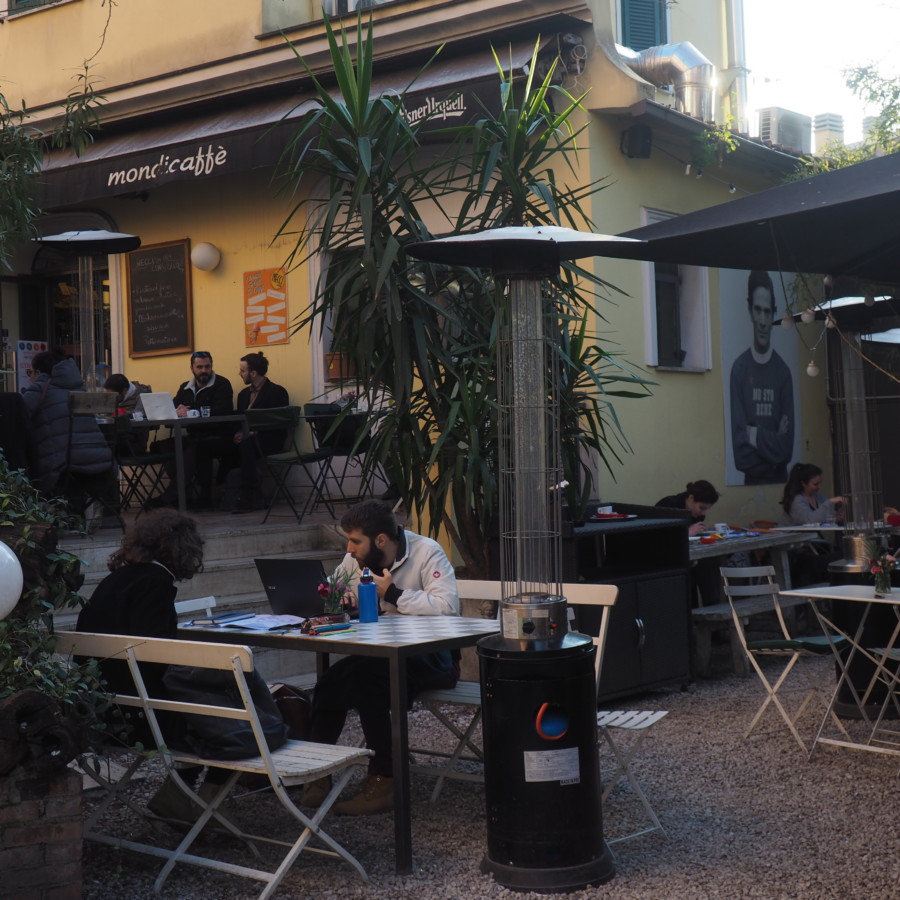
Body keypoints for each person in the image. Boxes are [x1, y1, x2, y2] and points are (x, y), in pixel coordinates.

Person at [304, 500, 459, 816]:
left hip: (434, 656)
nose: (349, 548)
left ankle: (384, 780)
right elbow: (334, 589)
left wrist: (393, 594)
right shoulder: (355, 559)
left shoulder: (426, 551)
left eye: (355, 541)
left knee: (368, 683)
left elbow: (447, 607)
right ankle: (317, 770)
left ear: (381, 540)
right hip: (381, 652)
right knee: (331, 681)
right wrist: (338, 601)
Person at [75, 509, 221, 824]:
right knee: (229, 712)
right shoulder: (155, 584)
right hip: (137, 717)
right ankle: (204, 804)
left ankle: (185, 797)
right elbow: (154, 657)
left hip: (102, 707)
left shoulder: (117, 579)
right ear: (184, 548)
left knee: (220, 707)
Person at [730, 270, 794, 485]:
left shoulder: (783, 373)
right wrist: (774, 445)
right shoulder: (739, 370)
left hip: (781, 481)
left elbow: (787, 449)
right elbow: (740, 456)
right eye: (758, 310)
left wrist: (752, 435)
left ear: (774, 313)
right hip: (750, 482)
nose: (763, 321)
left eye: (767, 312)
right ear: (750, 311)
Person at [21, 349, 113, 495]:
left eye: (30, 373)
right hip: (101, 462)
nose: (30, 377)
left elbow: (20, 418)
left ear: (38, 373)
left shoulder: (40, 388)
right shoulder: (79, 389)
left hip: (63, 467)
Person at [155, 351, 234, 508]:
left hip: (218, 436)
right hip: (194, 435)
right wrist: (177, 411)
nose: (204, 370)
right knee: (164, 446)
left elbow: (223, 410)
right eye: (199, 367)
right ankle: (184, 494)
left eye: (207, 366)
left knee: (194, 448)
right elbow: (172, 407)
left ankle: (172, 497)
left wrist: (192, 412)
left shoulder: (222, 384)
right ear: (192, 368)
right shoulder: (185, 387)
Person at [218, 352, 289, 513]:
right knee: (227, 444)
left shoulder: (277, 392)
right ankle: (225, 491)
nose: (240, 374)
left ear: (254, 373)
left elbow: (278, 423)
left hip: (270, 438)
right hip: (248, 438)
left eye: (243, 370)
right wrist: (237, 432)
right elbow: (239, 419)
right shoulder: (243, 394)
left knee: (246, 445)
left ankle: (247, 495)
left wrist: (253, 433)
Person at [656, 480, 722, 606]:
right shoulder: (668, 505)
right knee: (703, 566)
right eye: (702, 508)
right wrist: (687, 533)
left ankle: (713, 607)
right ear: (691, 498)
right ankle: (706, 608)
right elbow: (659, 536)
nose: (703, 513)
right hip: (664, 559)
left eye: (707, 509)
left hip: (687, 555)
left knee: (710, 561)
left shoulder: (697, 514)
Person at [779, 462, 843, 585]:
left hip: (813, 544)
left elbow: (826, 516)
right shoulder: (796, 501)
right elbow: (810, 519)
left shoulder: (817, 497)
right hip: (795, 547)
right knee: (836, 557)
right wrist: (830, 502)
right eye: (815, 484)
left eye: (820, 483)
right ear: (803, 483)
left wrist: (838, 516)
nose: (819, 487)